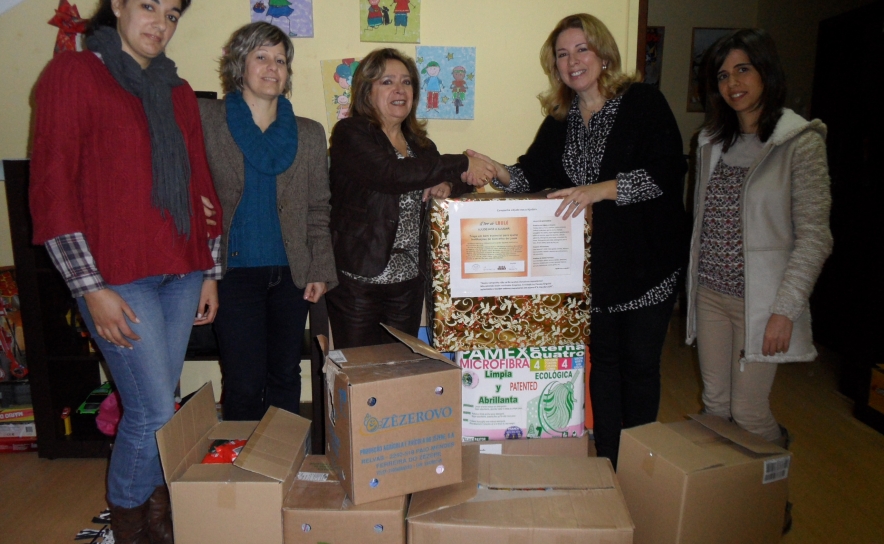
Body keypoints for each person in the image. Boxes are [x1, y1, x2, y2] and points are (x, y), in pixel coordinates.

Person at [29, 1, 223, 542]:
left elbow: (200, 186)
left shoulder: (178, 91)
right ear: (117, 5)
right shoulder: (74, 73)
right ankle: (128, 526)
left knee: (160, 406)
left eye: (172, 14)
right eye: (148, 6)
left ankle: (157, 516)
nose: (160, 22)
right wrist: (90, 288)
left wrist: (210, 269)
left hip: (182, 270)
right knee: (153, 408)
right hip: (119, 276)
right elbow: (53, 188)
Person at [467, 13, 689, 466]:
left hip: (649, 266)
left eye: (581, 49)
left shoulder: (643, 101)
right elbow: (531, 175)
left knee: (640, 368)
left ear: (604, 54)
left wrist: (599, 190)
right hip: (595, 271)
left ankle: (641, 465)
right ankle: (608, 459)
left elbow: (667, 172)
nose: (573, 61)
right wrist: (494, 169)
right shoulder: (560, 119)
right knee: (603, 368)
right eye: (563, 55)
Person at [686, 29, 832, 447]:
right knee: (714, 405)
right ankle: (727, 496)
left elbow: (815, 238)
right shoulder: (711, 142)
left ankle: (770, 490)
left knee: (748, 412)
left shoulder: (799, 143)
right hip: (711, 295)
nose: (733, 84)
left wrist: (785, 310)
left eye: (743, 70)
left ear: (766, 72)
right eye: (723, 75)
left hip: (762, 304)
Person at [199, 22, 337, 421]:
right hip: (233, 273)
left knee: (285, 375)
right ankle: (243, 474)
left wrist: (319, 270)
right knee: (243, 380)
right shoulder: (207, 121)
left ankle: (282, 466)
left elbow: (318, 209)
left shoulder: (309, 134)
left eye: (281, 60)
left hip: (290, 274)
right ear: (239, 64)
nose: (273, 67)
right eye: (261, 57)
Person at [326, 48, 495, 349]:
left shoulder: (422, 145)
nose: (399, 90)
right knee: (359, 373)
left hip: (408, 281)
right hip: (360, 280)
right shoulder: (350, 134)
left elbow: (441, 179)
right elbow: (390, 174)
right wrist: (460, 163)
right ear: (367, 91)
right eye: (387, 82)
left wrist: (448, 184)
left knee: (399, 371)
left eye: (406, 82)